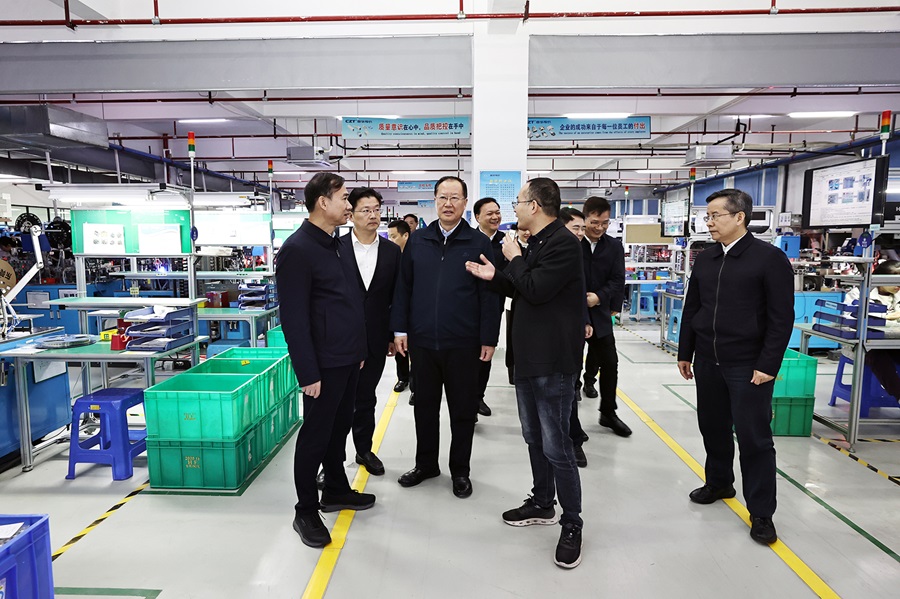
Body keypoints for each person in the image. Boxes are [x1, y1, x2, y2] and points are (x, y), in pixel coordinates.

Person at [466, 177, 590, 569]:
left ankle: (572, 522)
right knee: (534, 436)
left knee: (557, 445)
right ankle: (542, 501)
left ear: (534, 206)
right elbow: (524, 287)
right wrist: (496, 277)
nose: (515, 208)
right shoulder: (536, 242)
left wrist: (513, 257)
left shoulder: (563, 244)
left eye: (518, 202)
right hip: (528, 358)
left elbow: (536, 288)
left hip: (553, 361)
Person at [677, 188, 793, 546]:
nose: (709, 222)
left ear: (739, 217)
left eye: (715, 215)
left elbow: (781, 318)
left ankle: (761, 512)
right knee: (712, 428)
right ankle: (719, 482)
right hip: (708, 360)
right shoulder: (706, 258)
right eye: (707, 216)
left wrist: (768, 364)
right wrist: (685, 351)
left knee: (754, 438)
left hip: (748, 365)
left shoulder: (768, 259)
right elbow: (692, 307)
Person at [275, 172, 375, 549]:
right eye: (344, 198)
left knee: (339, 428)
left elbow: (349, 301)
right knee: (315, 437)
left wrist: (359, 351)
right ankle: (305, 510)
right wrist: (307, 372)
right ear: (323, 202)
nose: (349, 205)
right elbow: (294, 318)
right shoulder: (297, 249)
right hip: (323, 364)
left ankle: (335, 488)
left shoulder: (336, 244)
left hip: (347, 358)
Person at [390, 176, 500, 499]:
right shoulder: (419, 240)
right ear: (435, 201)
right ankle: (426, 464)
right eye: (442, 197)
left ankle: (460, 471)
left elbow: (489, 295)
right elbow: (403, 287)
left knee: (462, 411)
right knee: (424, 408)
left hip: (463, 344)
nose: (448, 203)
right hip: (423, 342)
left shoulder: (478, 243)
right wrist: (400, 329)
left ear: (465, 203)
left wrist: (489, 337)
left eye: (455, 197)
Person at [341, 188, 401, 477]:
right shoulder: (335, 248)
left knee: (366, 398)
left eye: (376, 209)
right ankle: (332, 460)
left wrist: (391, 335)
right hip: (341, 340)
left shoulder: (391, 251)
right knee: (340, 402)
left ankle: (364, 449)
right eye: (366, 210)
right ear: (351, 214)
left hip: (376, 338)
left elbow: (396, 296)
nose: (373, 215)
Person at [581, 197, 632, 437]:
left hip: (599, 312)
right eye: (594, 222)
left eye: (605, 223)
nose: (600, 228)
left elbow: (618, 279)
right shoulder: (572, 243)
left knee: (610, 363)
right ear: (584, 218)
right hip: (573, 314)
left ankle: (608, 412)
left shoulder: (613, 247)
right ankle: (569, 420)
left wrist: (601, 298)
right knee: (569, 366)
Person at [559, 207, 590, 467]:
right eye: (575, 228)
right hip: (557, 331)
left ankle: (574, 438)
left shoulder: (580, 251)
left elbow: (580, 292)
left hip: (574, 329)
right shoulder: (558, 251)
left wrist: (585, 320)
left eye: (582, 228)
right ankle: (571, 437)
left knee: (571, 385)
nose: (580, 233)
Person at [845, 260, 900, 401]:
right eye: (894, 279)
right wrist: (886, 317)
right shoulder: (860, 293)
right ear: (881, 277)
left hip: (893, 341)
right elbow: (849, 317)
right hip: (865, 343)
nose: (898, 284)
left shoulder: (898, 295)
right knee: (877, 355)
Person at [473, 196, 505, 418]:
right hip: (467, 307)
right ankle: (467, 399)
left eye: (497, 212)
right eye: (489, 213)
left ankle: (478, 397)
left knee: (486, 351)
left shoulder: (507, 243)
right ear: (477, 217)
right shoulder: (469, 240)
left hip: (494, 305)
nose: (495, 217)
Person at [387, 219, 415, 402]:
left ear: (405, 235)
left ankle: (416, 387)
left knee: (416, 352)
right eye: (389, 237)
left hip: (415, 311)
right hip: (396, 310)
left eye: (393, 237)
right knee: (400, 349)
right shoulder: (390, 258)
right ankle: (403, 378)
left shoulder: (415, 256)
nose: (391, 241)